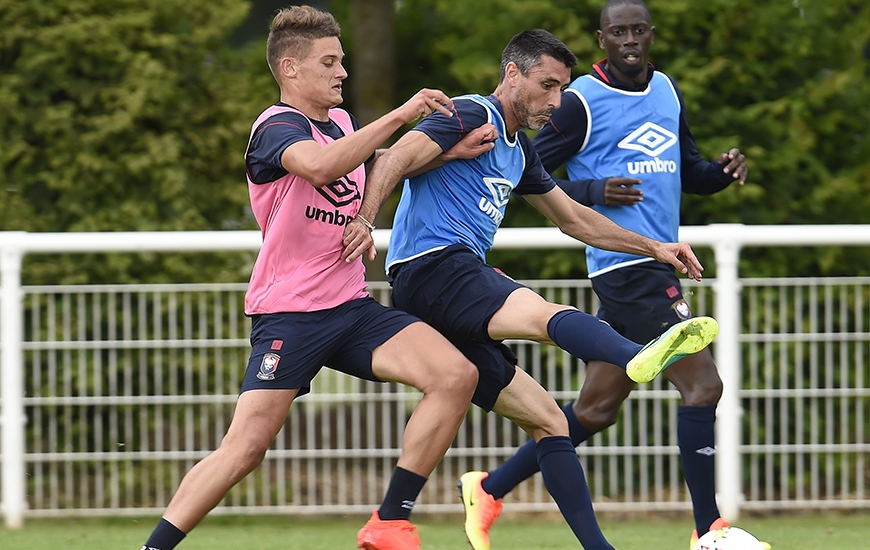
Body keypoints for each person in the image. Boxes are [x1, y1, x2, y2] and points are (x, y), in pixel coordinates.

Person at [342, 27, 720, 550]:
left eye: (563, 88)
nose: (556, 101)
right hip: (432, 268)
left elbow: (575, 220)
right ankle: (640, 353)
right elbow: (391, 158)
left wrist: (654, 247)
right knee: (541, 313)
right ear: (512, 74)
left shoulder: (519, 152)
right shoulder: (472, 113)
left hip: (447, 282)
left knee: (549, 421)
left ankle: (390, 521)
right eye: (547, 85)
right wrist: (365, 220)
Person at [137, 6, 498, 550]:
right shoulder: (274, 128)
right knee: (246, 448)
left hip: (351, 308)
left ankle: (390, 521)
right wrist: (402, 114)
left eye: (343, 61)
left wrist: (445, 152)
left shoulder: (341, 125)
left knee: (454, 376)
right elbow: (323, 167)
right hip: (290, 313)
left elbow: (368, 162)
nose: (342, 73)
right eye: (329, 62)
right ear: (290, 69)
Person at [464, 2, 768, 550]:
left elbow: (688, 171)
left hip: (653, 263)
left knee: (595, 409)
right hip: (629, 268)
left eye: (638, 30)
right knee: (704, 387)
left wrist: (720, 173)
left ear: (651, 36)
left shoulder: (666, 91)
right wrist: (593, 190)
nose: (629, 39)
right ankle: (709, 531)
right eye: (618, 31)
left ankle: (488, 488)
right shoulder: (579, 99)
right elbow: (529, 169)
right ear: (602, 39)